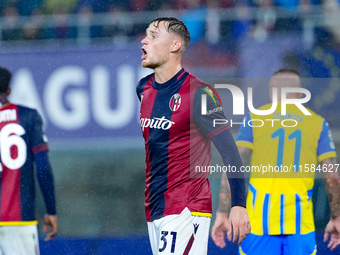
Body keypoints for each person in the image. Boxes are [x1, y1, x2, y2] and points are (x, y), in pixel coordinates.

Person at [136, 17, 250, 255]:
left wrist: (238, 205)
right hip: (155, 207)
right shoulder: (144, 89)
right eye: (146, 34)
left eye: (154, 36)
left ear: (174, 46)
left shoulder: (200, 94)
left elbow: (230, 152)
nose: (144, 40)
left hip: (186, 208)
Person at [211, 69, 340, 254]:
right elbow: (332, 177)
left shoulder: (255, 118)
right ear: (299, 92)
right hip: (300, 226)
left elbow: (233, 166)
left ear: (273, 90)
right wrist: (336, 218)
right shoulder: (318, 123)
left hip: (257, 226)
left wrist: (223, 212)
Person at [0, 66, 57, 254]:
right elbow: (43, 169)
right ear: (8, 90)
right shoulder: (27, 116)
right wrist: (51, 210)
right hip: (19, 218)